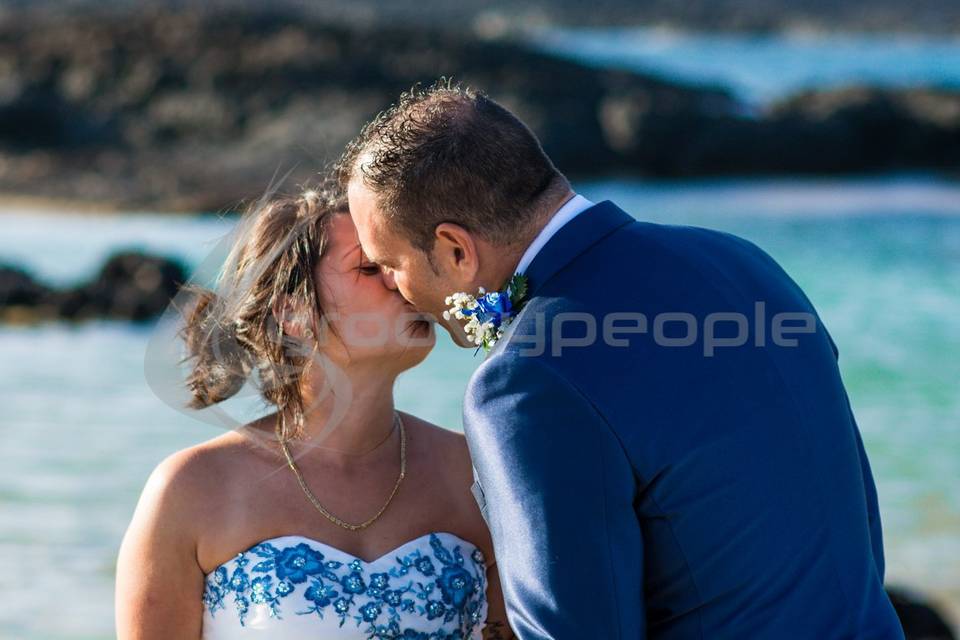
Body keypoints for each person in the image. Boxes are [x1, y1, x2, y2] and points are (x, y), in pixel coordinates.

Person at [341, 81, 906, 639]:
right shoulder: (743, 264)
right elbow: (856, 532)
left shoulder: (527, 381)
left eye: (389, 263)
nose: (393, 287)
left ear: (456, 249)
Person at [115, 187, 514, 639]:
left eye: (398, 262)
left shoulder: (477, 474)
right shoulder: (192, 489)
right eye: (370, 268)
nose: (404, 281)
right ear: (294, 312)